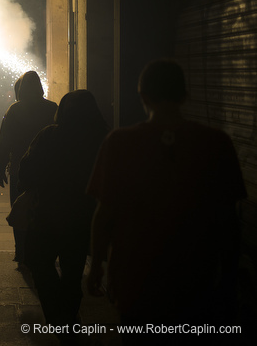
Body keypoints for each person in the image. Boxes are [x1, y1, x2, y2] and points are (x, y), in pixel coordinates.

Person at [87, 59, 246, 345]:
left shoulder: (119, 143)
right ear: (185, 95)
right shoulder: (216, 143)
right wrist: (230, 278)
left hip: (136, 277)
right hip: (196, 277)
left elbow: (105, 213)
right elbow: (229, 220)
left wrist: (97, 264)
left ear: (143, 96)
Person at [18, 90, 109, 342]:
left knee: (39, 263)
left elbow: (25, 172)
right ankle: (67, 320)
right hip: (82, 219)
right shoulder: (103, 139)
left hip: (48, 215)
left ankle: (58, 318)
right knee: (73, 271)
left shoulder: (49, 134)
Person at [0, 71, 58, 264]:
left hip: (20, 168)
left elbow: (4, 141)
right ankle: (43, 251)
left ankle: (21, 252)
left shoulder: (14, 110)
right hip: (48, 168)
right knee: (44, 208)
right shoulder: (52, 108)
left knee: (19, 207)